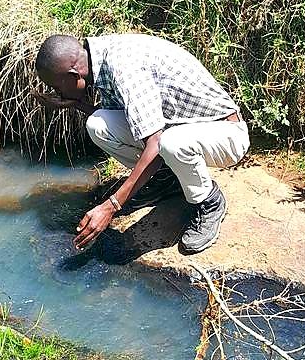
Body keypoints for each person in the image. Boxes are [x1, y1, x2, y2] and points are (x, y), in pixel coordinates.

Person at [32, 33, 249, 254]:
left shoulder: (124, 67)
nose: (57, 93)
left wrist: (111, 206)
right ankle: (166, 180)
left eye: (57, 87)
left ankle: (209, 202)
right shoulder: (100, 57)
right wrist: (75, 103)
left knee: (171, 143)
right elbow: (133, 121)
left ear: (72, 75)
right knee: (98, 125)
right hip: (183, 128)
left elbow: (154, 144)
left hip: (225, 133)